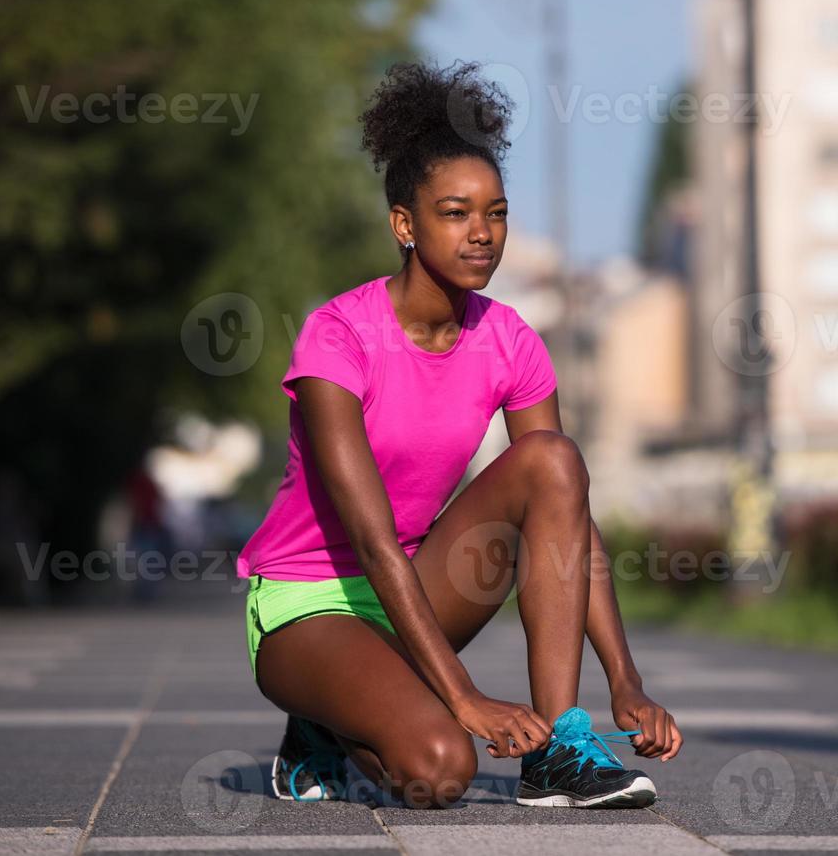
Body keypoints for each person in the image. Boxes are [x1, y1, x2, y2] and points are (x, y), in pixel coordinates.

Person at [237, 61, 683, 810]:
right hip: (309, 605)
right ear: (404, 225)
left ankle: (560, 750)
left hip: (420, 586)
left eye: (497, 213)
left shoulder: (509, 340)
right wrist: (467, 698)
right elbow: (371, 538)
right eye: (455, 212)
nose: (482, 233)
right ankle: (318, 721)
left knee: (550, 461)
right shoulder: (337, 337)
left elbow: (565, 510)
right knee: (439, 771)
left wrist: (625, 681)